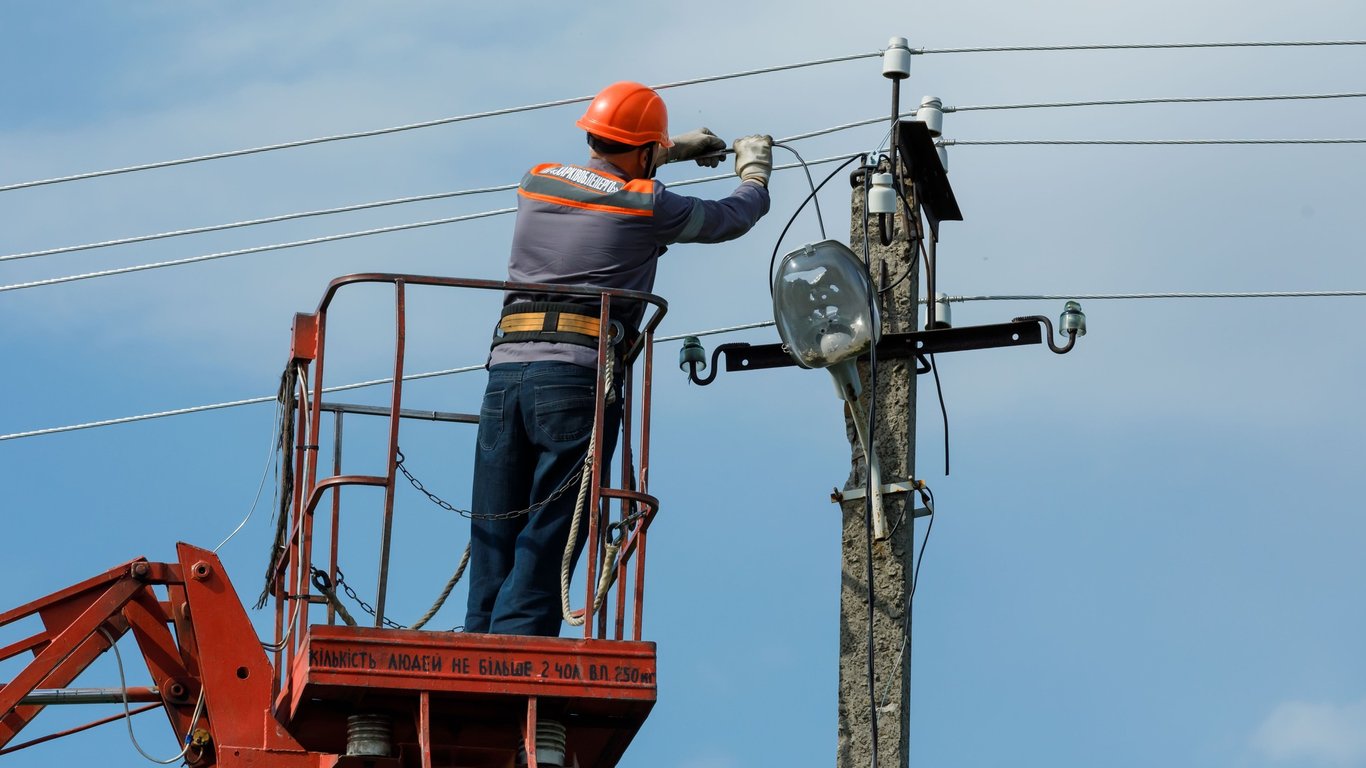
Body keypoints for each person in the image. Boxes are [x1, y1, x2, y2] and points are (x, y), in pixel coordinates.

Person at [464, 81, 773, 636]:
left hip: (504, 375)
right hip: (575, 378)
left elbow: (604, 175)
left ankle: (479, 630)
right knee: (554, 518)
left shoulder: (537, 181)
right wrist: (754, 174)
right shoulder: (648, 204)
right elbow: (730, 217)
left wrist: (670, 148)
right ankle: (517, 639)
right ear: (645, 151)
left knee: (494, 515)